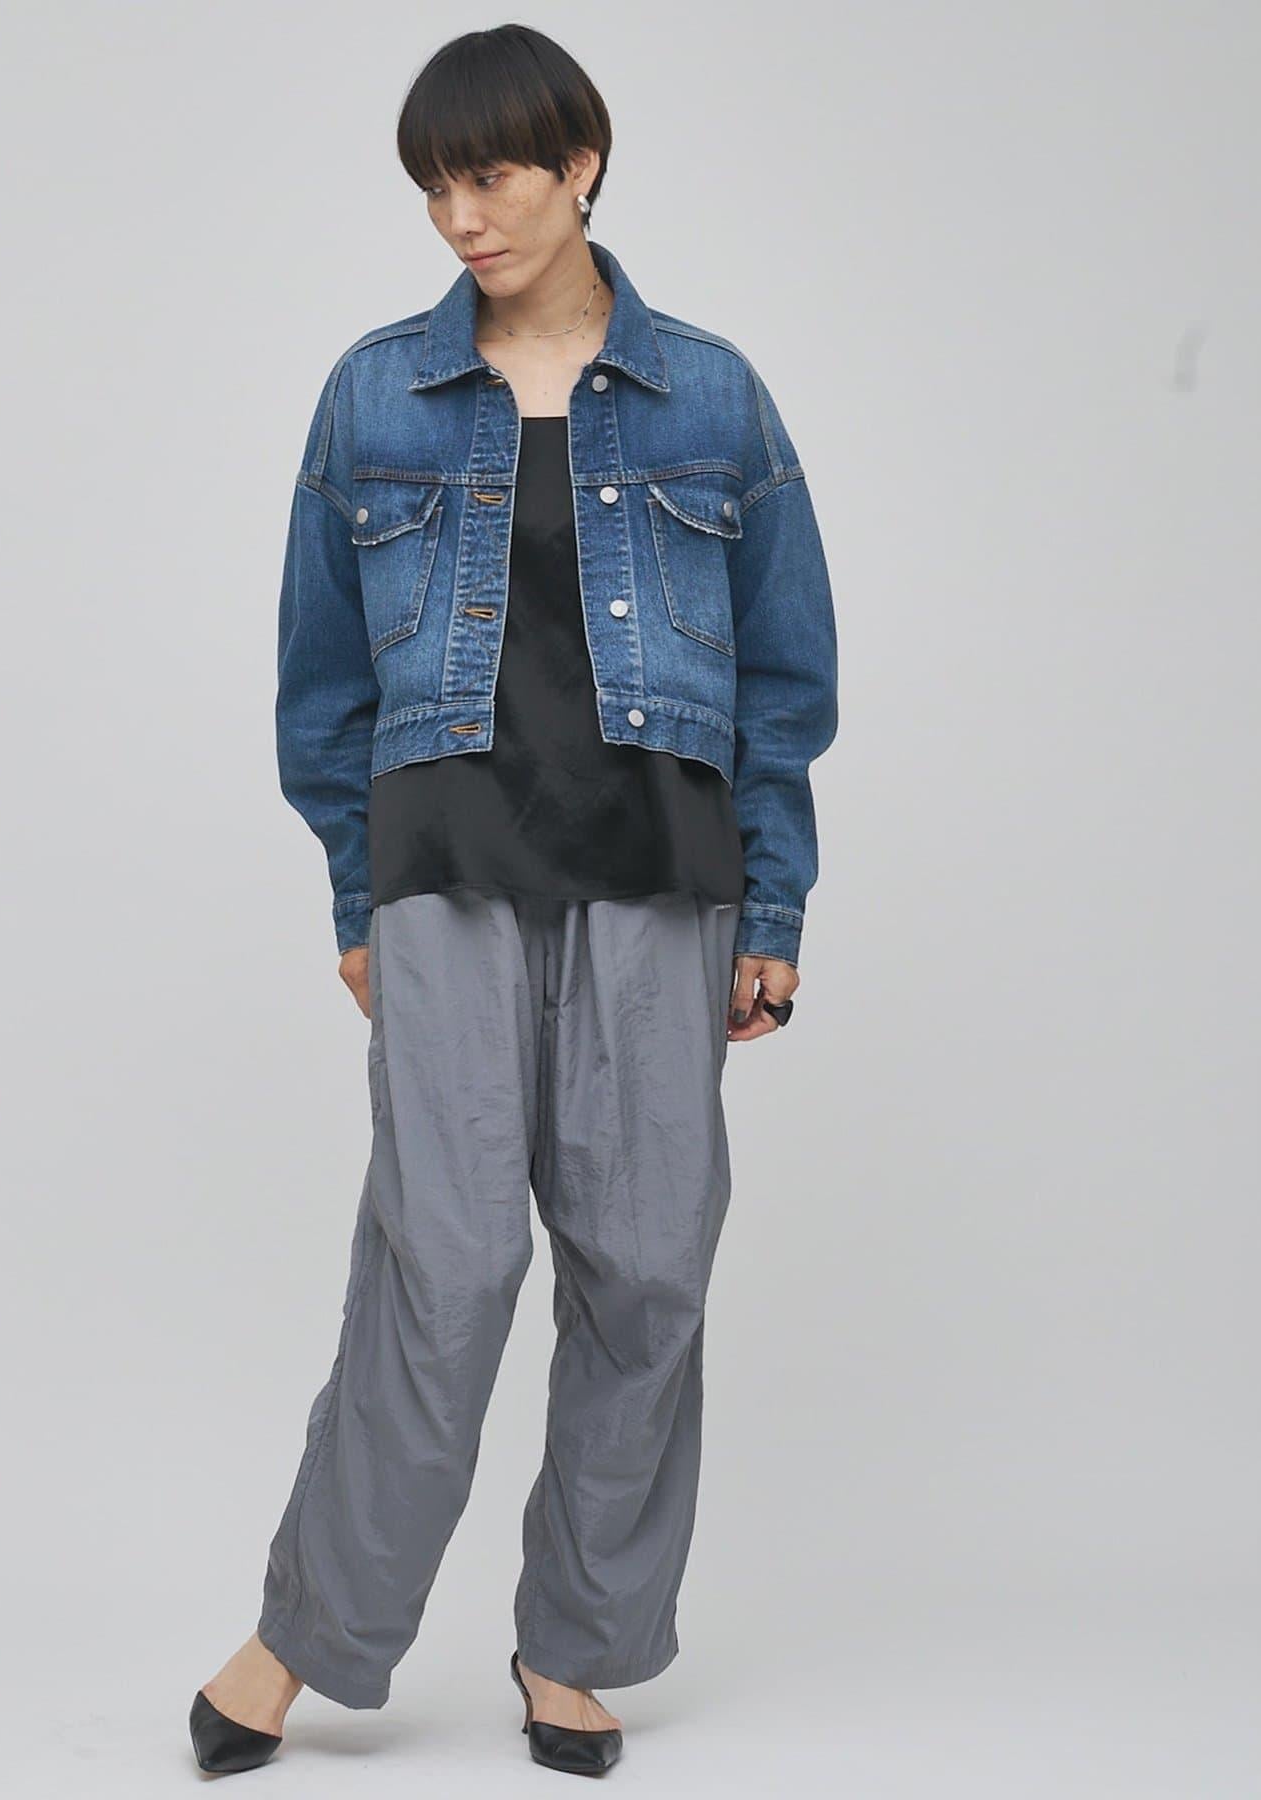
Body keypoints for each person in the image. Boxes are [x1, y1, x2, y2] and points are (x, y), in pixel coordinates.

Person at [189, 23, 838, 1778]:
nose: (460, 216)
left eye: (489, 177)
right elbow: (321, 687)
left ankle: (578, 1651)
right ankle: (306, 1636)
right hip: (446, 882)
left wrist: (775, 912)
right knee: (446, 1262)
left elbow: (786, 682)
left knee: (647, 1271)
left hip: (666, 888)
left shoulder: (711, 395)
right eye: (435, 187)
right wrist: (356, 896)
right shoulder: (372, 396)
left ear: (581, 167)